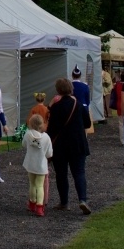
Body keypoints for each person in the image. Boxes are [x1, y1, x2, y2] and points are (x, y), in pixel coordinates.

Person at [47, 77, 92, 215]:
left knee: (61, 174)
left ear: (58, 90)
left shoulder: (56, 107)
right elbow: (87, 123)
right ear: (71, 89)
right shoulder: (78, 104)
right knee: (79, 172)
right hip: (77, 143)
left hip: (60, 145)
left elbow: (51, 128)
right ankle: (82, 199)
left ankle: (64, 202)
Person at [22, 113, 53, 216]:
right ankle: (40, 207)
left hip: (30, 164)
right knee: (40, 185)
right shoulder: (46, 137)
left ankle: (32, 203)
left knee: (32, 184)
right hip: (41, 165)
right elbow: (49, 154)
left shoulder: (28, 134)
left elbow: (24, 145)